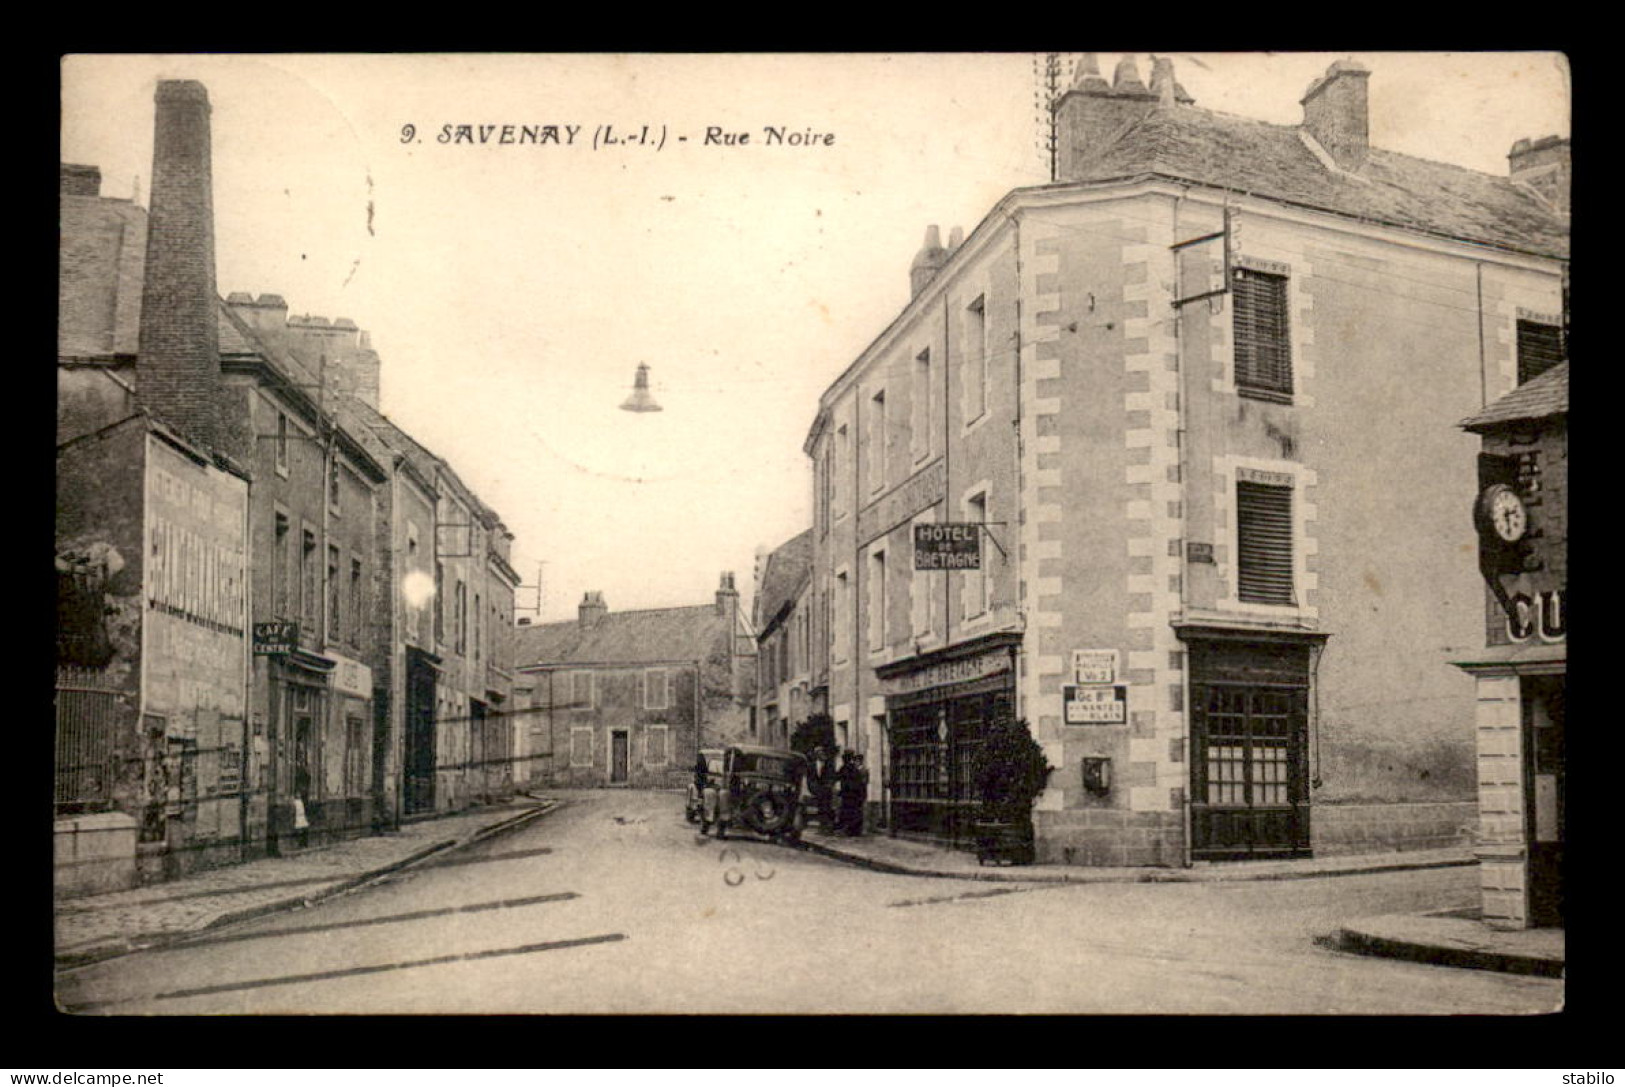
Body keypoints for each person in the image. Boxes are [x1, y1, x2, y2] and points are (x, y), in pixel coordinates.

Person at [837, 751, 868, 836]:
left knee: (848, 812)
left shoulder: (844, 768)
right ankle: (854, 830)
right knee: (854, 812)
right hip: (854, 794)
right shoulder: (854, 768)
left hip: (848, 794)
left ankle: (849, 830)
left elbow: (839, 779)